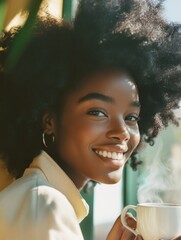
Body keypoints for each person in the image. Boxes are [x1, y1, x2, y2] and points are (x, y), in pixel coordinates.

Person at [0, 0, 181, 239]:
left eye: (131, 117)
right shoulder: (44, 205)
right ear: (48, 121)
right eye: (98, 112)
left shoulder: (38, 197)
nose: (122, 132)